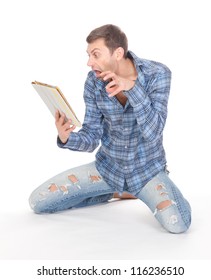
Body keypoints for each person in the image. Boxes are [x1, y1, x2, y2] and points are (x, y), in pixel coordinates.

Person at [29, 24, 191, 233]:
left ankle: (140, 189)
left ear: (118, 53)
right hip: (108, 169)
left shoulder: (157, 74)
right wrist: (67, 137)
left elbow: (153, 132)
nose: (89, 62)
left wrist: (132, 89)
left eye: (95, 55)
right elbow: (92, 136)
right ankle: (115, 192)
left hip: (147, 172)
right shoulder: (93, 83)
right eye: (88, 55)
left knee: (178, 226)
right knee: (39, 202)